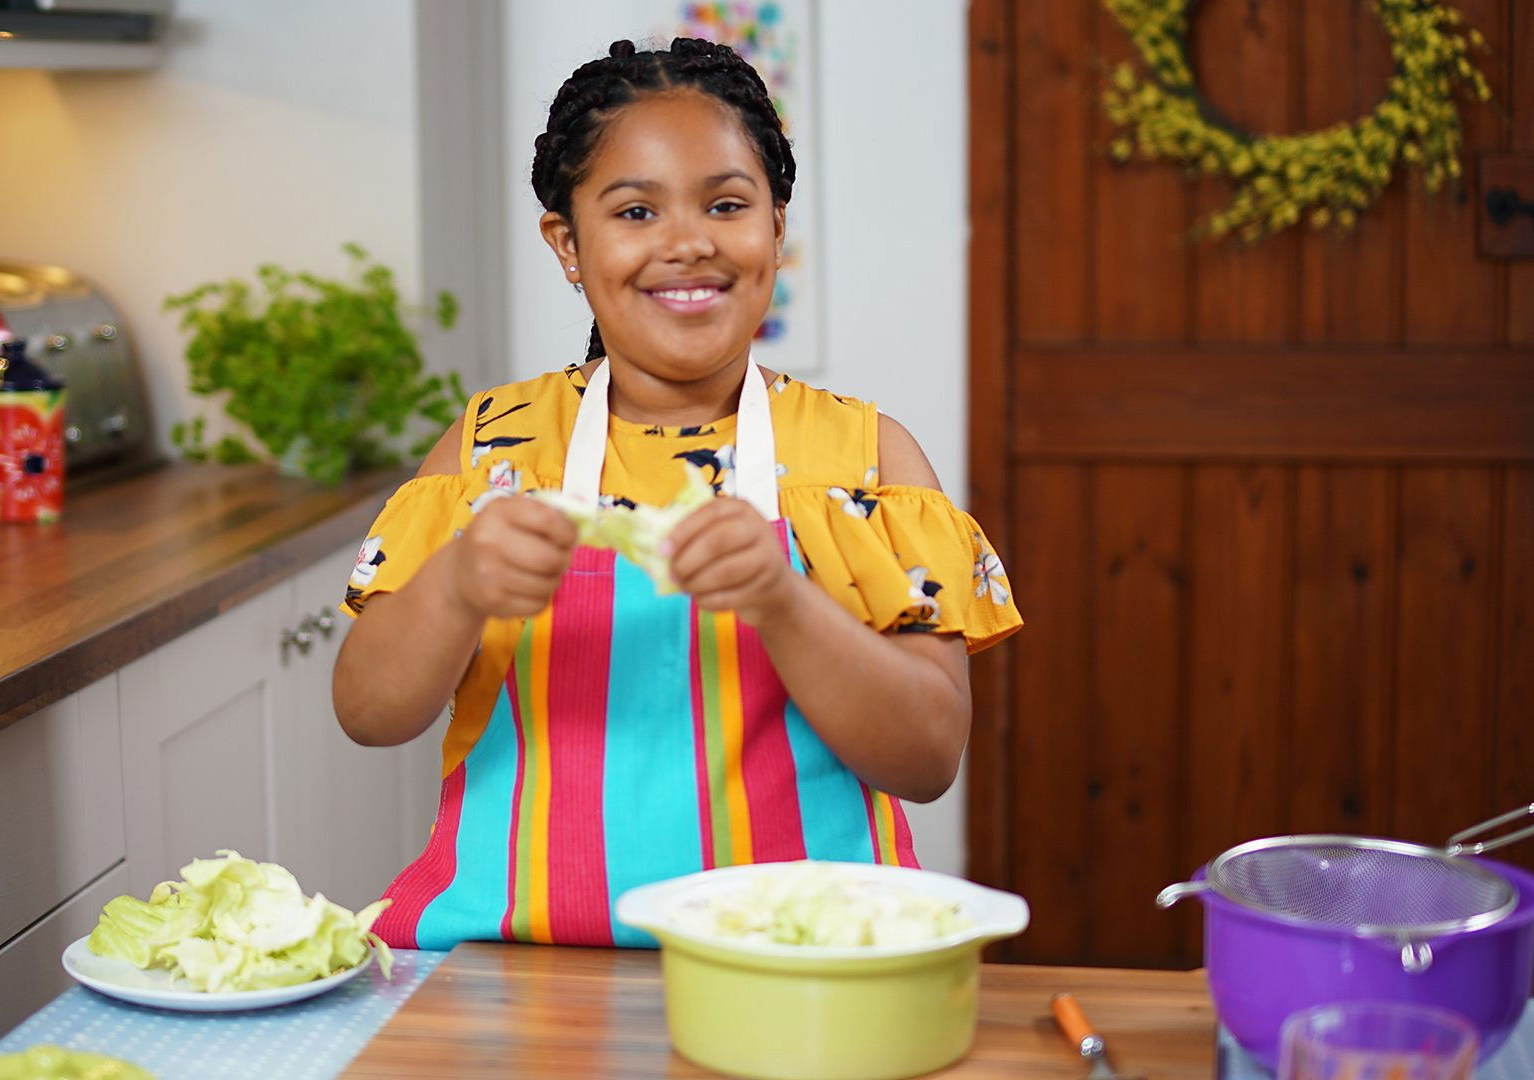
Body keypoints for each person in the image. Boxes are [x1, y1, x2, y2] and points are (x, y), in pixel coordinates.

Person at [332, 37, 1021, 950]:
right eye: (634, 211)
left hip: (797, 964)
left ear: (776, 228)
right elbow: (369, 713)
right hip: (519, 959)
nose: (687, 241)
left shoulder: (865, 458)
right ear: (568, 243)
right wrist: (456, 583)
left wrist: (783, 600)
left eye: (727, 204)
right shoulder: (493, 451)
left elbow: (929, 757)